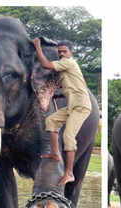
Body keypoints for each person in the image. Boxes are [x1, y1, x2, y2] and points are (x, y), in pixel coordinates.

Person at [33, 38, 92, 185]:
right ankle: (55, 153)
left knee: (68, 136)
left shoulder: (68, 62)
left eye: (64, 51)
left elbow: (45, 64)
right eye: (59, 52)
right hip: (72, 104)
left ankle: (69, 173)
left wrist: (37, 47)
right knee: (51, 121)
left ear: (71, 53)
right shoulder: (64, 67)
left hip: (81, 105)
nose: (61, 54)